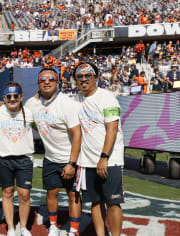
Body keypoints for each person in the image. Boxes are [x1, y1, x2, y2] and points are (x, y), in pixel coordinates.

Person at [25, 68, 82, 236]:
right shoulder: (32, 104)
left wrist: (72, 163)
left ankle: (74, 230)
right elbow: (18, 112)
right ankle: (54, 226)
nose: (47, 82)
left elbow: (77, 134)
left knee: (73, 195)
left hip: (70, 158)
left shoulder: (66, 103)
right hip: (50, 158)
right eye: (43, 80)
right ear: (38, 84)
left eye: (51, 79)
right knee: (51, 193)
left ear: (58, 82)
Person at [74, 62, 124, 236]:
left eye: (88, 75)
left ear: (96, 77)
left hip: (109, 159)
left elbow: (112, 129)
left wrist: (104, 157)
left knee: (113, 202)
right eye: (79, 76)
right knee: (95, 202)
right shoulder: (75, 99)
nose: (84, 79)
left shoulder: (107, 97)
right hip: (87, 161)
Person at [0, 82, 34, 236]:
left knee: (24, 194)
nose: (12, 99)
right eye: (8, 96)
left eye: (15, 96)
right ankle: (10, 227)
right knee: (8, 192)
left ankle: (23, 227)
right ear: (3, 98)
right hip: (4, 159)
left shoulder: (29, 112)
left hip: (24, 159)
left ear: (21, 97)